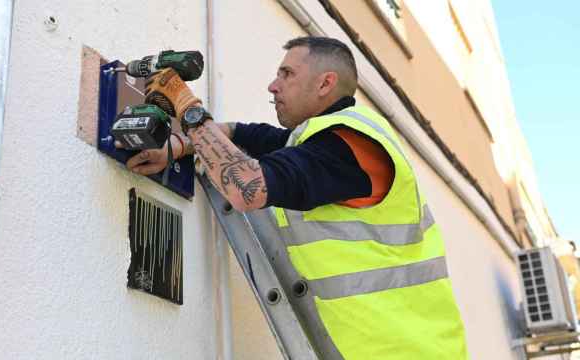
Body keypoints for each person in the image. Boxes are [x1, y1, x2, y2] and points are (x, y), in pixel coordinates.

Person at [124, 36, 469, 359]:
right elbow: (250, 135)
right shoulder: (324, 142)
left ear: (325, 84)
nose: (273, 86)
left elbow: (248, 187)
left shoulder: (349, 148)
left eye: (286, 74)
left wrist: (185, 104)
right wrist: (181, 145)